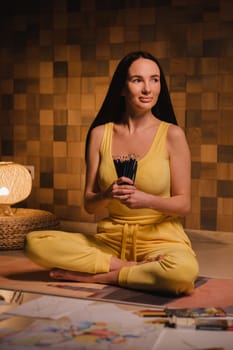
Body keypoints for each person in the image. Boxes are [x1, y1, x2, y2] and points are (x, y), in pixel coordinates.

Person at [24, 51, 199, 295]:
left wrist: (145, 199)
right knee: (35, 243)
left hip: (161, 241)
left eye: (155, 79)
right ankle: (128, 269)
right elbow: (90, 205)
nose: (148, 88)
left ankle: (104, 277)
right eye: (137, 80)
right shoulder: (100, 134)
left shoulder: (172, 135)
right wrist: (107, 194)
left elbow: (184, 204)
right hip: (110, 242)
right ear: (122, 88)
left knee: (181, 273)